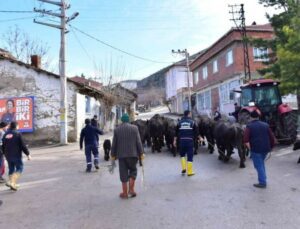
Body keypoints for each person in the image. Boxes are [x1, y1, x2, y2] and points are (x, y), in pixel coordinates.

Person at [111, 113, 144, 199]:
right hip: (133, 155)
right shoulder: (135, 128)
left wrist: (113, 155)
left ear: (122, 120)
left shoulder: (117, 130)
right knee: (133, 171)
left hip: (121, 156)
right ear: (128, 120)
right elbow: (138, 142)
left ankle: (125, 193)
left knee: (123, 174)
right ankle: (131, 190)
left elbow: (114, 144)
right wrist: (141, 153)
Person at [243, 110, 275, 188]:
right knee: (261, 164)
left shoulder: (249, 126)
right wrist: (271, 147)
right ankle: (263, 178)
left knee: (258, 165)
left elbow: (245, 140)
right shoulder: (266, 125)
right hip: (266, 149)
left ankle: (262, 182)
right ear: (258, 117)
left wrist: (250, 149)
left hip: (256, 150)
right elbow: (272, 138)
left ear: (251, 117)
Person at [2, 121, 31, 191]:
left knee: (11, 169)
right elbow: (23, 145)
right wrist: (28, 154)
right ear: (16, 126)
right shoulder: (18, 134)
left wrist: (4, 153)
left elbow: (3, 146)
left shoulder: (5, 134)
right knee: (20, 168)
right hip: (16, 155)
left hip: (8, 155)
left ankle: (13, 184)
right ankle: (11, 182)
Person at [174, 110, 199, 176]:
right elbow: (196, 133)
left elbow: (176, 133)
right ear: (189, 114)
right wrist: (200, 138)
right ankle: (190, 172)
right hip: (189, 142)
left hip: (181, 141)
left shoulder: (179, 123)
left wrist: (174, 141)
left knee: (182, 155)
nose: (190, 115)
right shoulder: (192, 122)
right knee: (190, 156)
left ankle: (184, 168)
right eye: (190, 114)